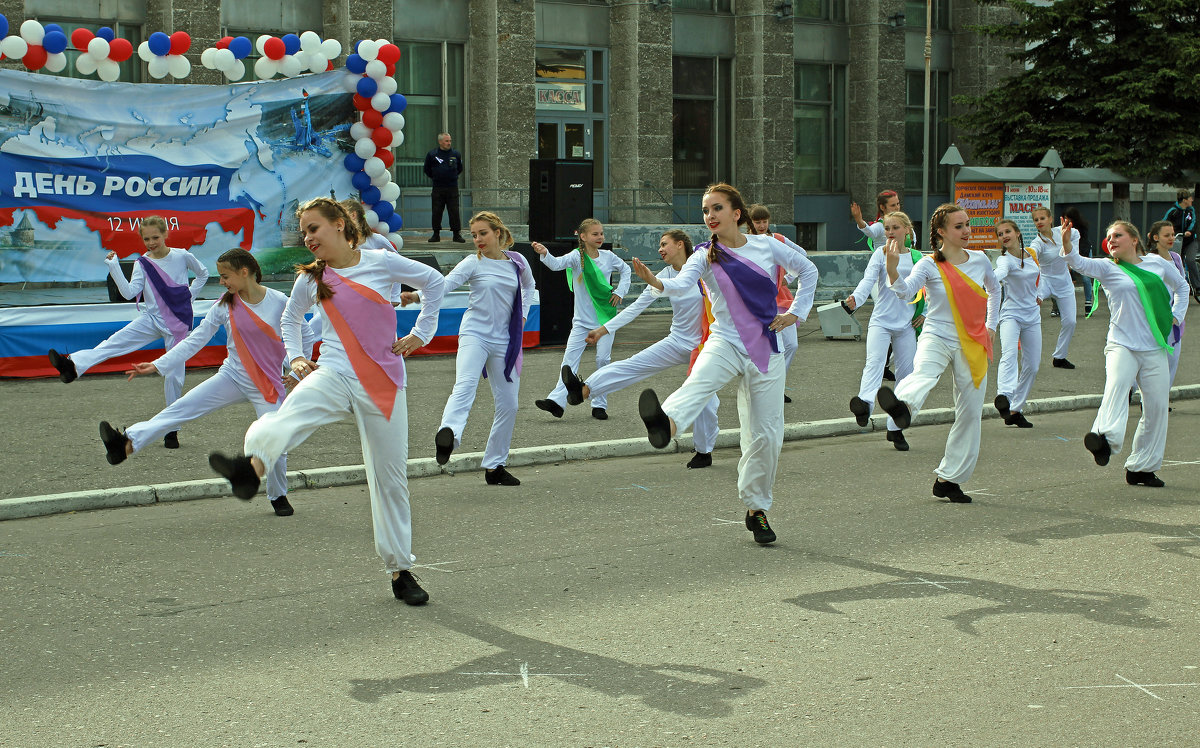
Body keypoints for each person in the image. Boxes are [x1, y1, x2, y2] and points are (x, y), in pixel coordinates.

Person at [208, 197, 446, 605]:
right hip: (333, 372)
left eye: (313, 228)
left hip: (384, 383)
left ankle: (400, 570)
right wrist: (297, 355)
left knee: (390, 480)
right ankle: (253, 466)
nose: (308, 237)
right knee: (292, 413)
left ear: (339, 224)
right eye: (304, 232)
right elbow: (290, 319)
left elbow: (434, 283)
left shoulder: (382, 262)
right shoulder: (311, 279)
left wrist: (422, 332)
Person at [633, 183, 818, 545]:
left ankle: (756, 510)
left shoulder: (767, 245)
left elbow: (808, 270)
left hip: (766, 347)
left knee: (766, 436)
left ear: (736, 213)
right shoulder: (705, 255)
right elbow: (683, 282)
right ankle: (666, 424)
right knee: (699, 383)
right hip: (725, 341)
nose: (710, 216)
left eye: (716, 208)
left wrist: (796, 312)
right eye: (705, 211)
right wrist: (656, 281)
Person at [99, 249, 314, 516]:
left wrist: (297, 369)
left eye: (225, 276)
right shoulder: (224, 305)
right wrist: (158, 364)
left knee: (275, 439)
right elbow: (194, 340)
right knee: (179, 409)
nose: (221, 282)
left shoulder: (279, 301)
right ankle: (126, 444)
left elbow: (305, 331)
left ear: (244, 272)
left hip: (269, 384)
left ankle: (278, 495)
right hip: (232, 377)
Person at [559, 230, 721, 468]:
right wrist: (603, 329)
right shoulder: (664, 274)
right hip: (677, 341)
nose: (660, 249)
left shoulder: (706, 270)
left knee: (705, 397)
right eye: (659, 245)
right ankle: (583, 390)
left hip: (707, 345)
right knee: (632, 364)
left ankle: (704, 452)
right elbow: (636, 307)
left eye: (664, 244)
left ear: (680, 245)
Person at [875, 203, 1000, 504]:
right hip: (937, 334)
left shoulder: (981, 259)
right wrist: (892, 270)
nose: (967, 230)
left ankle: (949, 479)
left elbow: (995, 290)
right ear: (942, 232)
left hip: (973, 341)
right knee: (924, 374)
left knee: (970, 412)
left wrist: (992, 325)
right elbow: (906, 292)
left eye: (967, 224)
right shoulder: (929, 265)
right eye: (959, 226)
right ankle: (902, 407)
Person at [47, 216, 208, 449]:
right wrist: (114, 266)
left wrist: (189, 296)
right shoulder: (142, 263)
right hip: (151, 318)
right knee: (114, 342)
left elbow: (202, 274)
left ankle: (171, 429)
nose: (151, 242)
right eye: (146, 239)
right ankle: (72, 366)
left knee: (173, 378)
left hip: (178, 323)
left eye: (155, 237)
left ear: (165, 235)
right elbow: (129, 292)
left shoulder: (182, 255)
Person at [402, 211, 535, 486]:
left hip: (505, 341)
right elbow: (445, 285)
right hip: (474, 334)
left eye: (482, 233)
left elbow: (529, 286)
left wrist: (522, 317)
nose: (477, 239)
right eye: (474, 235)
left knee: (509, 404)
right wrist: (416, 295)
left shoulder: (517, 263)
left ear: (498, 233)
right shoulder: (472, 263)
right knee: (465, 385)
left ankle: (495, 466)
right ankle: (448, 434)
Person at [1064, 218, 1188, 488]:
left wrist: (1177, 315)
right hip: (1122, 345)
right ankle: (1103, 439)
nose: (1112, 240)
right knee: (1117, 387)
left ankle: (1141, 468)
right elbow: (1079, 263)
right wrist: (1069, 246)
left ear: (1134, 240)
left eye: (1118, 235)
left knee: (1156, 409)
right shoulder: (1108, 267)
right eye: (1109, 238)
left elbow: (1182, 287)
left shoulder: (1157, 264)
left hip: (1154, 347)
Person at [533, 218, 631, 420]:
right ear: (583, 236)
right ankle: (557, 402)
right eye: (595, 234)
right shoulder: (576, 257)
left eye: (601, 233)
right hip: (581, 322)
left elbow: (626, 270)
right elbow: (556, 264)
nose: (600, 237)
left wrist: (620, 291)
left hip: (606, 320)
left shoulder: (608, 256)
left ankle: (599, 405)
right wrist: (545, 254)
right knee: (569, 362)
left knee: (603, 360)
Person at [845, 210, 924, 451]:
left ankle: (895, 429)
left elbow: (928, 287)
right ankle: (865, 405)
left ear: (907, 231)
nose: (890, 232)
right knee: (875, 363)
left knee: (907, 374)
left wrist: (925, 313)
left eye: (895, 228)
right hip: (881, 320)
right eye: (887, 228)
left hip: (907, 324)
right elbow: (867, 281)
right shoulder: (879, 255)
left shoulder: (918, 257)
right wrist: (855, 300)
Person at [748, 204, 805, 403]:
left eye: (765, 221)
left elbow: (802, 255)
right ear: (750, 223)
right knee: (763, 347)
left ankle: (776, 385)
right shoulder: (745, 242)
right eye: (757, 222)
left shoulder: (779, 239)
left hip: (781, 299)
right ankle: (764, 388)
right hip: (756, 302)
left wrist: (787, 278)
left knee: (791, 344)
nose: (762, 225)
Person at [992, 219, 1043, 429]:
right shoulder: (1005, 261)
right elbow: (998, 274)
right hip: (1011, 314)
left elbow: (1041, 277)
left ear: (1017, 233)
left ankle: (1015, 409)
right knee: (1009, 353)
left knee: (1032, 366)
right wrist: (987, 280)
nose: (1004, 236)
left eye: (1008, 232)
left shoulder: (1031, 254)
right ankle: (1004, 396)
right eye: (1000, 234)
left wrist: (1040, 293)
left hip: (1032, 316)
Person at [1030, 206, 1081, 369]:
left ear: (1050, 219)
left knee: (1070, 322)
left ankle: (1059, 357)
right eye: (1036, 220)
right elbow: (1032, 255)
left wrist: (1072, 257)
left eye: (1042, 218)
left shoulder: (1064, 231)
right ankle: (1027, 355)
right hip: (1045, 282)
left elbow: (1076, 235)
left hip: (1064, 282)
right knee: (1030, 306)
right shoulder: (1037, 243)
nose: (1039, 222)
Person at [1146, 220, 1187, 387]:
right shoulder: (1147, 260)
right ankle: (1134, 391)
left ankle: (1162, 395)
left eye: (1172, 234)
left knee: (1171, 359)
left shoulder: (1176, 258)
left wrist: (1177, 315)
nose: (1171, 238)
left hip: (1172, 317)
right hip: (1152, 317)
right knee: (1147, 358)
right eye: (1166, 235)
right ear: (1155, 237)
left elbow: (1182, 286)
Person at [423, 132, 465, 243]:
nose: (449, 143)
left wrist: (451, 177)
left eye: (450, 141)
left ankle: (456, 234)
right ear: (440, 141)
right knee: (437, 211)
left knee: (454, 211)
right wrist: (437, 177)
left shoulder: (456, 154)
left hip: (452, 187)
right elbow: (427, 170)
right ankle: (436, 234)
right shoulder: (432, 154)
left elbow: (460, 168)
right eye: (446, 141)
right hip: (438, 188)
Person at [1163, 189, 1197, 301]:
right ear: (1184, 200)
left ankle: (1197, 286)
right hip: (1177, 241)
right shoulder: (1173, 211)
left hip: (1190, 241)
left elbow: (1193, 222)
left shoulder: (1190, 211)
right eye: (1190, 198)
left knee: (1190, 260)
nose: (1192, 200)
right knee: (1175, 262)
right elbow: (1164, 223)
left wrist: (1189, 231)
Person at [1063, 206, 1094, 315]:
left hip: (1083, 251)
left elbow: (1084, 245)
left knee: (1086, 278)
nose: (1067, 221)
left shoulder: (1082, 227)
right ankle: (1061, 306)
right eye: (1066, 218)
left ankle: (1088, 302)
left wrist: (1080, 260)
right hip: (1072, 252)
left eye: (1069, 218)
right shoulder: (1065, 227)